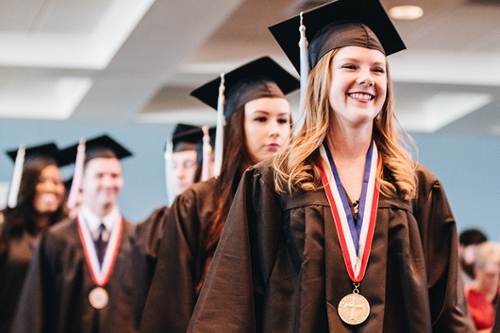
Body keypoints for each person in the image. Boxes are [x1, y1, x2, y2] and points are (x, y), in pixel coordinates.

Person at [187, 0, 475, 331]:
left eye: (377, 69)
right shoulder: (273, 182)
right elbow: (232, 299)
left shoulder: (417, 186)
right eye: (350, 67)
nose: (367, 78)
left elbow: (447, 304)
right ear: (322, 80)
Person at [138, 56, 299, 333]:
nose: (275, 131)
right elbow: (172, 300)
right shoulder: (197, 203)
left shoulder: (298, 200)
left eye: (283, 121)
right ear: (236, 127)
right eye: (261, 119)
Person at [11, 134, 136, 333]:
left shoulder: (137, 237)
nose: (108, 183)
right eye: (99, 175)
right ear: (82, 181)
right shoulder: (55, 239)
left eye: (114, 176)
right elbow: (35, 308)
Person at [0, 143, 69, 333]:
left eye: (56, 182)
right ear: (27, 183)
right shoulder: (6, 228)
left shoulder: (68, 236)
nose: (51, 187)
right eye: (41, 180)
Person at [465, 241, 500, 332]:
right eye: (490, 275)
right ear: (477, 270)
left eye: (499, 275)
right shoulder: (465, 297)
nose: (495, 279)